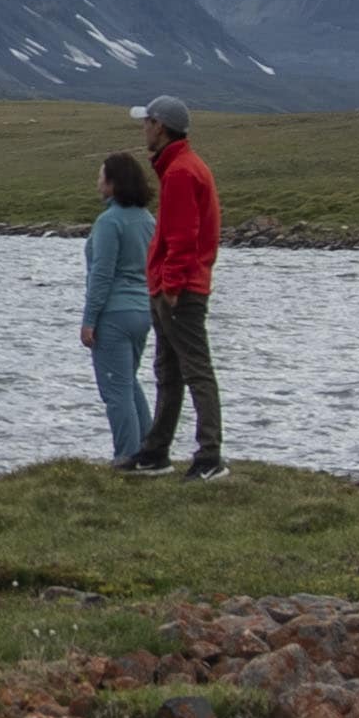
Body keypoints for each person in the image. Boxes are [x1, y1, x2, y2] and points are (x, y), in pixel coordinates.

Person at [131, 97, 227, 478]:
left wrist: (170, 284)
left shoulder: (180, 173)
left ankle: (209, 456)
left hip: (180, 289)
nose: (144, 129)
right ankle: (156, 451)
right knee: (169, 370)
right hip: (178, 285)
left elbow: (183, 236)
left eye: (148, 122)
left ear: (161, 127)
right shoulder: (182, 168)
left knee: (193, 369)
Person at [81, 149, 158, 472]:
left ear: (113, 183)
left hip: (114, 313)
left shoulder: (109, 221)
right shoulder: (147, 219)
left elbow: (102, 274)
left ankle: (126, 457)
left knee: (115, 390)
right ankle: (149, 449)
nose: (97, 182)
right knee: (127, 382)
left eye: (101, 176)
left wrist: (89, 319)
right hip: (143, 311)